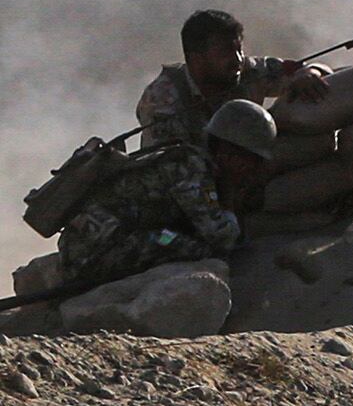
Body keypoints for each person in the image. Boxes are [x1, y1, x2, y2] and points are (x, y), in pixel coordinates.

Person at [57, 100, 279, 289]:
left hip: (98, 240)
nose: (252, 170)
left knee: (176, 238)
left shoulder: (193, 162)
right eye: (251, 161)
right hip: (93, 248)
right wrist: (230, 201)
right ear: (230, 153)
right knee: (195, 248)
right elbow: (220, 236)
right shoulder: (190, 168)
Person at [136, 9, 329, 150]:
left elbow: (300, 69)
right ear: (196, 59)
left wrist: (308, 74)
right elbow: (170, 168)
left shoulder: (246, 71)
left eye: (239, 49)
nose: (237, 59)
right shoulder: (163, 100)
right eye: (224, 52)